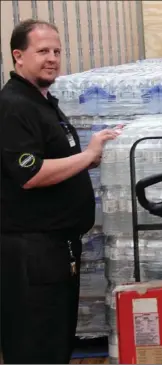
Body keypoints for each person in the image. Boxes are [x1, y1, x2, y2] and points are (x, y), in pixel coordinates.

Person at [0, 19, 120, 363]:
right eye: (42, 51)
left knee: (55, 338)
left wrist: (89, 156)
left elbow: (58, 159)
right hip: (30, 251)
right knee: (34, 342)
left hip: (56, 246)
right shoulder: (13, 106)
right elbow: (30, 173)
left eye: (56, 51)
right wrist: (87, 155)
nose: (52, 58)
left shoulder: (43, 102)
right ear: (18, 56)